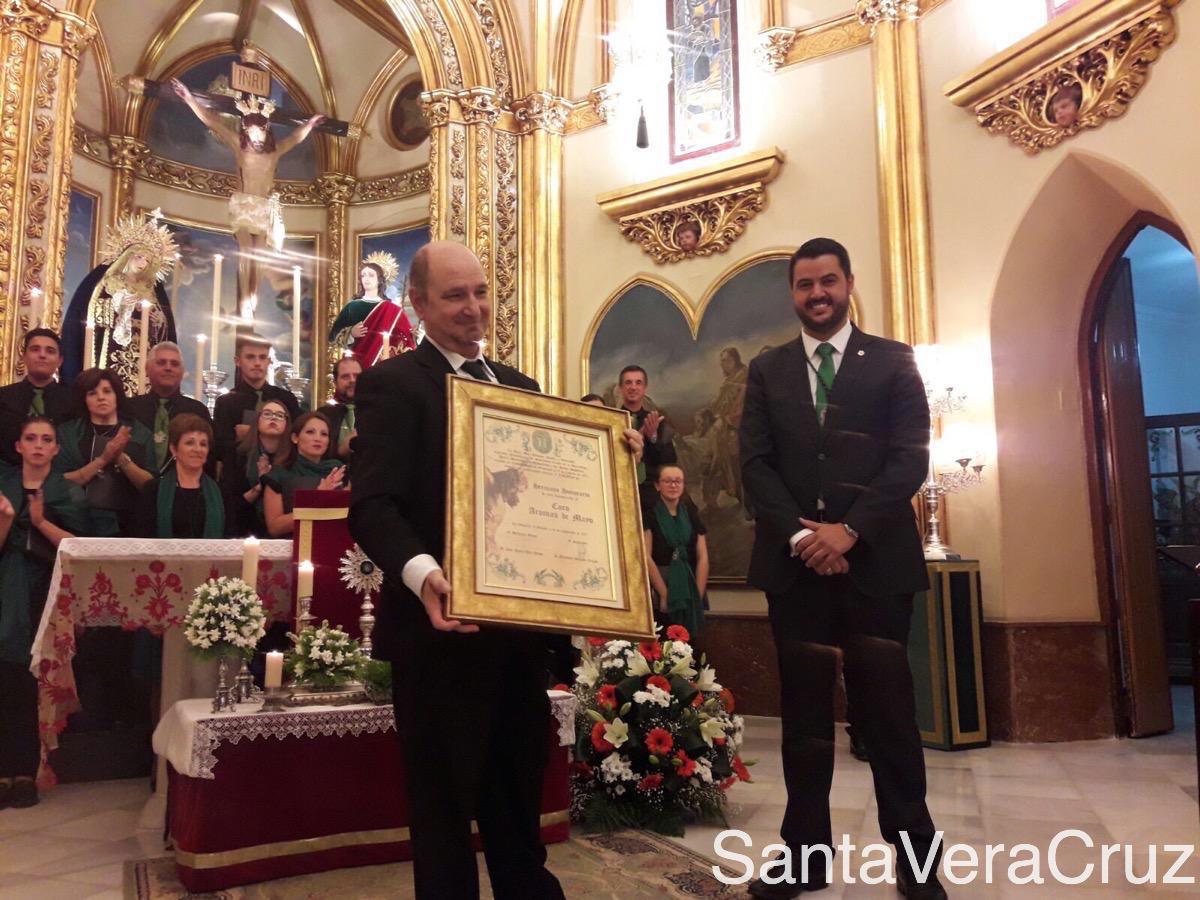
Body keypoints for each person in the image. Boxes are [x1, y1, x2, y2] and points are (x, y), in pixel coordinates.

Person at [349, 241, 573, 900]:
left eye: (479, 292)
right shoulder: (393, 384)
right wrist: (424, 574)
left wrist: (608, 463)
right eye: (455, 296)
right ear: (418, 303)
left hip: (518, 637)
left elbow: (555, 496)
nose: (473, 308)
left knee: (516, 798)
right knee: (444, 815)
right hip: (438, 636)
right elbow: (373, 505)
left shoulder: (523, 388)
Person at [738, 238, 943, 899]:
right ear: (793, 293)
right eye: (804, 284)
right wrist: (804, 537)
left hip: (876, 568)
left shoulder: (892, 361)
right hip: (796, 572)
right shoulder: (767, 370)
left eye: (828, 281)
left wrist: (849, 531)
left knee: (888, 722)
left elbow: (910, 458)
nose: (817, 293)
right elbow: (754, 466)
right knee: (802, 726)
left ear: (849, 283)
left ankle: (916, 866)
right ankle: (806, 860)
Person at [171, 77, 324, 305]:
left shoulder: (274, 152)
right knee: (246, 250)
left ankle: (253, 297)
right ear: (245, 131)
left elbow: (294, 138)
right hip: (243, 205)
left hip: (263, 208)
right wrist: (189, 99)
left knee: (259, 255)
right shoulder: (239, 147)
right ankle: (245, 298)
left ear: (266, 131)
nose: (255, 136)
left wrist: (309, 125)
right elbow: (214, 123)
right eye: (251, 131)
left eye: (259, 131)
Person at [0, 418, 89, 809]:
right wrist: (7, 521)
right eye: (31, 438)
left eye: (47, 440)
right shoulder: (3, 483)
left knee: (32, 678)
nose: (38, 445)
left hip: (47, 590)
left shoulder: (66, 490)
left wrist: (39, 522)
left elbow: (78, 546)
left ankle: (26, 772)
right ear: (19, 446)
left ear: (56, 449)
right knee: (6, 677)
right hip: (6, 585)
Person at [60, 213, 178, 393]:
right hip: (111, 351)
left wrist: (159, 321)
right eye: (139, 257)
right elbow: (90, 317)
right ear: (127, 256)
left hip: (143, 356)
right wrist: (122, 306)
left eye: (147, 260)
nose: (143, 264)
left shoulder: (153, 290)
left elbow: (163, 334)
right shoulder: (104, 282)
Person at [56, 368, 156, 537]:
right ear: (84, 399)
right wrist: (102, 460)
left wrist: (121, 459)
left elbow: (151, 487)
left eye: (107, 391)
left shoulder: (140, 433)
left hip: (129, 525)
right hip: (77, 523)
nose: (101, 397)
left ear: (117, 396)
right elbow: (58, 482)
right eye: (92, 393)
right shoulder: (67, 433)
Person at [212, 334, 302, 467]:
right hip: (238, 475)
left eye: (262, 357)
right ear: (237, 361)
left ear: (269, 361)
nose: (257, 363)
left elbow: (298, 438)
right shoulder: (226, 402)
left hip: (281, 472)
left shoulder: (287, 399)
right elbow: (219, 450)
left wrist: (250, 433)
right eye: (250, 357)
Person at [132, 414, 223, 539]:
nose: (197, 449)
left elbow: (228, 540)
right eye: (190, 443)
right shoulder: (153, 490)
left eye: (203, 444)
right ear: (174, 449)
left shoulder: (221, 492)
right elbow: (144, 536)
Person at [643, 465, 708, 639]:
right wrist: (664, 594)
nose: (673, 485)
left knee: (689, 648)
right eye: (668, 481)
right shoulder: (649, 515)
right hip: (661, 585)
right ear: (658, 485)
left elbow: (703, 557)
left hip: (690, 585)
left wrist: (698, 594)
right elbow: (646, 557)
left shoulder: (692, 515)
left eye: (678, 481)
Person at [126, 342, 211, 474]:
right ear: (147, 369)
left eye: (174, 364)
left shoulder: (197, 411)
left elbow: (208, 462)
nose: (168, 368)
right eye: (161, 362)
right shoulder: (129, 408)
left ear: (182, 372)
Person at [262, 412, 345, 537]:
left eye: (324, 434)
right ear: (295, 438)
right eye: (310, 432)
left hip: (334, 540)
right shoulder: (279, 474)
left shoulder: (337, 470)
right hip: (295, 545)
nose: (318, 438)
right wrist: (317, 499)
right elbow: (275, 527)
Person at [0, 329, 73, 467]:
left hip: (60, 480)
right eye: (35, 349)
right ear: (24, 356)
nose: (42, 355)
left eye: (50, 351)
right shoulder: (3, 398)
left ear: (60, 361)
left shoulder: (73, 401)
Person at [329, 255, 417, 368]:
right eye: (363, 275)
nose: (366, 279)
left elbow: (404, 340)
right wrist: (350, 333)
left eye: (371, 275)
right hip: (355, 366)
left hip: (382, 367)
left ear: (379, 280)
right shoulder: (352, 307)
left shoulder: (393, 310)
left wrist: (414, 336)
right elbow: (333, 336)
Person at [221, 399, 291, 538]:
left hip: (282, 533)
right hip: (243, 529)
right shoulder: (237, 454)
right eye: (267, 413)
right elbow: (228, 503)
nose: (273, 417)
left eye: (279, 415)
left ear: (287, 424)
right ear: (257, 420)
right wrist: (259, 487)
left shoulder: (292, 458)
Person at [322, 356, 362, 460]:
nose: (352, 380)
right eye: (345, 377)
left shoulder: (376, 412)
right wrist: (340, 451)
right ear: (335, 383)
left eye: (357, 376)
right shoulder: (324, 415)